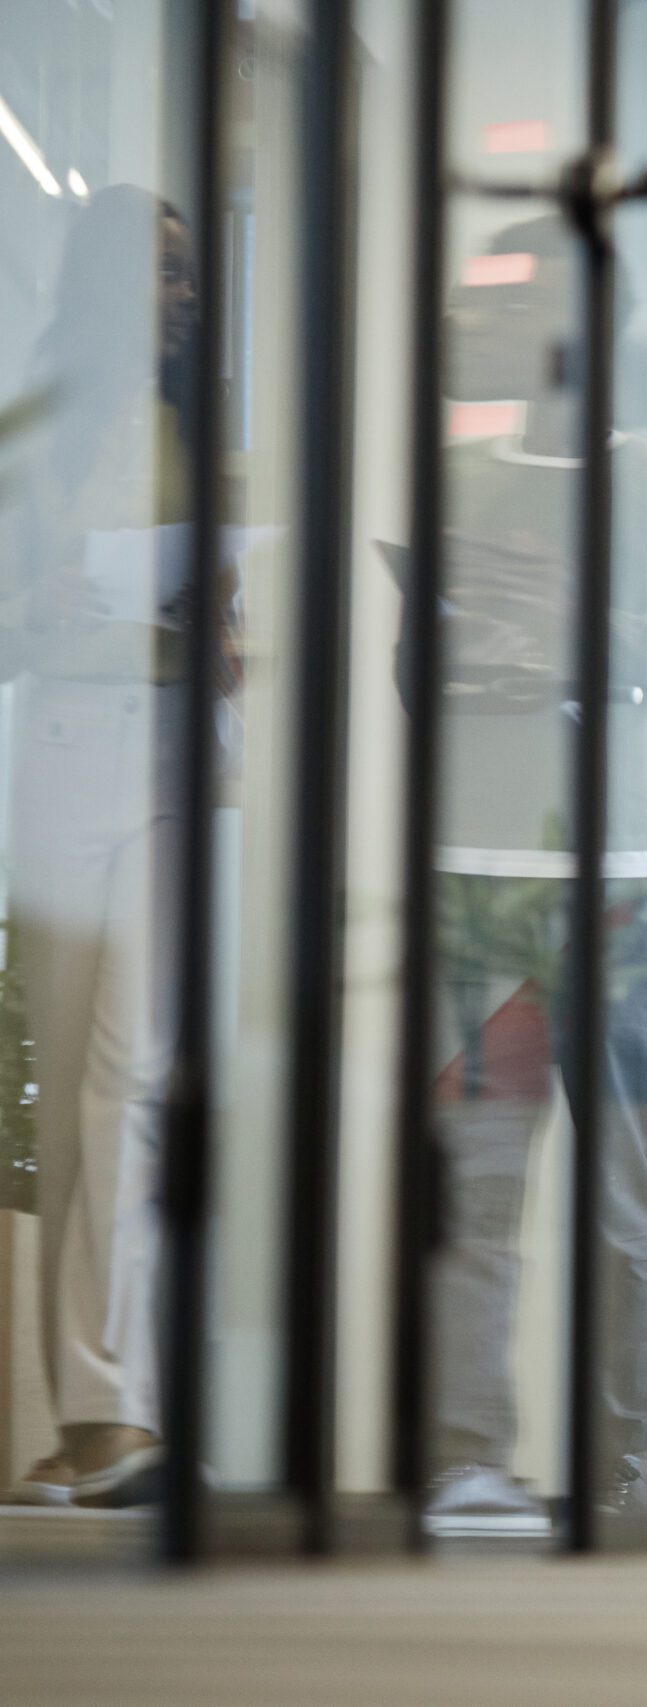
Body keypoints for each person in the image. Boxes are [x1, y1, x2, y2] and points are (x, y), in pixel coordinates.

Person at [404, 218, 647, 1536]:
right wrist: (476, 652)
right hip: (474, 881)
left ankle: (622, 1467)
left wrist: (584, 626)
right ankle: (466, 1460)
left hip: (627, 885)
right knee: (473, 1189)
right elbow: (411, 677)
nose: (488, 317)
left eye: (522, 295)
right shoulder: (447, 482)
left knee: (622, 1192)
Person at [0, 188, 210, 1510]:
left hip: (181, 759)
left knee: (128, 1084)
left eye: (187, 277)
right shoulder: (37, 430)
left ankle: (113, 1409)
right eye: (162, 273)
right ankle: (77, 1424)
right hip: (69, 747)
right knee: (69, 1097)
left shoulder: (210, 425)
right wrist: (37, 601)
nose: (182, 297)